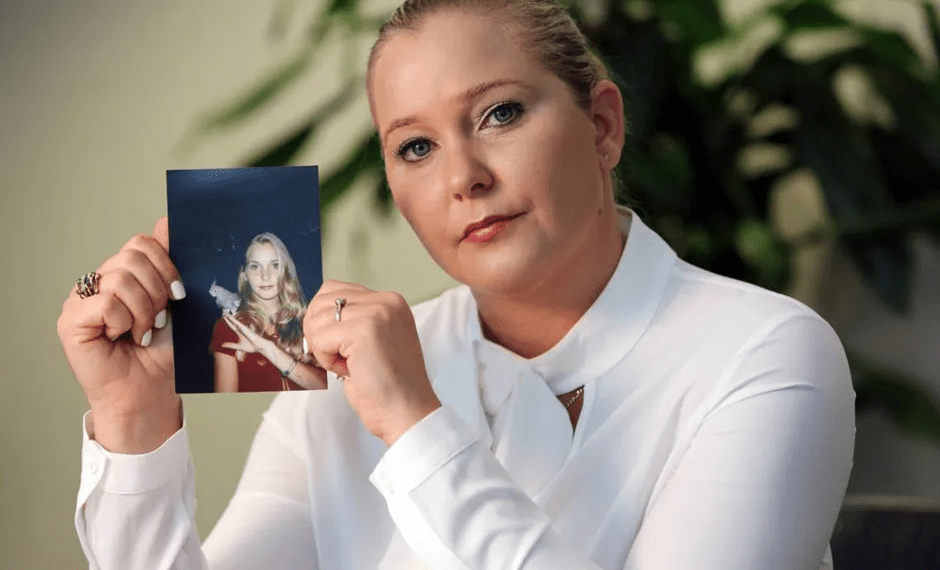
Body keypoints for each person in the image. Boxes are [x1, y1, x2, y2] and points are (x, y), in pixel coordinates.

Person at [56, 0, 855, 568]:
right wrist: (132, 423)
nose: (463, 178)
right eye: (414, 148)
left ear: (603, 125)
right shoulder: (334, 387)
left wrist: (416, 423)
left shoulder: (766, 351)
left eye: (500, 114)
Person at [210, 232, 326, 392]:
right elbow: (224, 403)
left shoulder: (309, 319)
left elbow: (328, 387)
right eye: (255, 266)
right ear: (244, 275)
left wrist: (268, 349)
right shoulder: (229, 328)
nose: (265, 275)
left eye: (275, 265)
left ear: (285, 271)